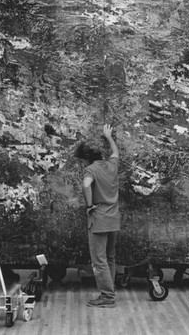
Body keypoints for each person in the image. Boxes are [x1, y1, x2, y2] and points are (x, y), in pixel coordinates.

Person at [75, 124, 120, 308]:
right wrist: (108, 137)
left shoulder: (90, 170)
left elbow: (86, 185)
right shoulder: (111, 165)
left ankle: (107, 297)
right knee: (110, 258)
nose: (81, 163)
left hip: (99, 219)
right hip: (114, 217)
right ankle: (110, 291)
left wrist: (89, 204)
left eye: (81, 160)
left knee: (99, 261)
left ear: (86, 158)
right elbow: (116, 152)